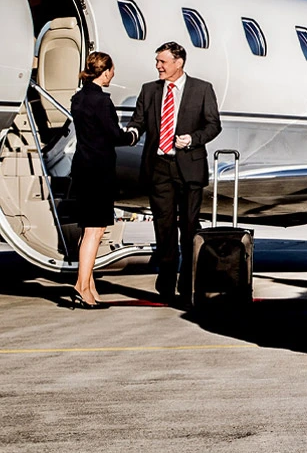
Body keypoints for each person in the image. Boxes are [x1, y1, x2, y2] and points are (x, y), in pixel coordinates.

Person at [127, 42, 222, 306]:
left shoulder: (202, 89)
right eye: (157, 61)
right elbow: (138, 121)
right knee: (164, 227)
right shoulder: (149, 90)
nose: (158, 66)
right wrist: (131, 133)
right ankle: (166, 283)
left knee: (189, 227)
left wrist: (192, 139)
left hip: (189, 167)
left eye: (163, 62)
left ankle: (188, 282)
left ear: (178, 63)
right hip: (159, 167)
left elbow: (214, 125)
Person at [67, 52, 139, 309]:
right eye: (112, 70)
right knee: (95, 231)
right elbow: (114, 135)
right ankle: (81, 287)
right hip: (99, 171)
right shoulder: (102, 101)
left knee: (88, 229)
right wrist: (133, 135)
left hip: (82, 168)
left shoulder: (78, 98)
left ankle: (90, 286)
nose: (113, 74)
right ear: (105, 71)